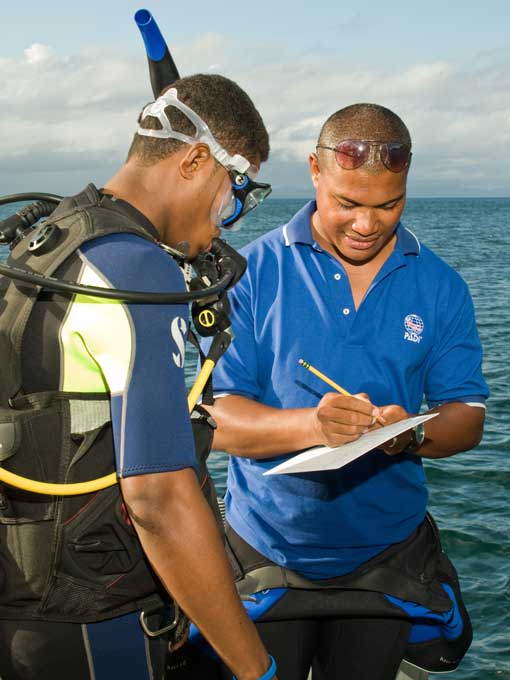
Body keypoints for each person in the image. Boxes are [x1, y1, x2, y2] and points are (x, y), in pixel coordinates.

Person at [0, 74, 279, 680]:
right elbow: (159, 497)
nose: (227, 223)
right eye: (235, 194)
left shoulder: (53, 240)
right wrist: (255, 667)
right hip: (91, 624)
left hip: (23, 609)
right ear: (197, 160)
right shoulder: (137, 270)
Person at [200, 103, 489, 680]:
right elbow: (217, 421)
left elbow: (468, 415)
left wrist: (409, 433)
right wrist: (312, 425)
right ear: (314, 170)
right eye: (348, 204)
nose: (367, 224)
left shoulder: (441, 285)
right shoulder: (251, 273)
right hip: (266, 555)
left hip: (387, 558)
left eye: (389, 205)